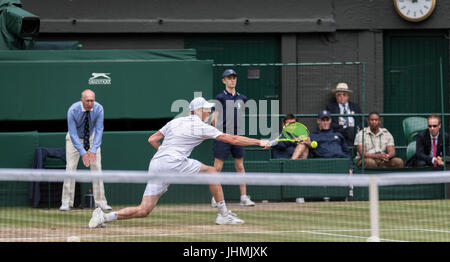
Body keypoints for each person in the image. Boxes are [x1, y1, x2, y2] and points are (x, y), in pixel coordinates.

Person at [88, 97, 271, 228]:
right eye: (207, 109)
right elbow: (233, 140)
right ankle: (223, 215)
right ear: (198, 111)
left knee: (144, 210)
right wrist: (258, 141)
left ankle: (104, 217)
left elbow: (152, 139)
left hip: (157, 163)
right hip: (173, 162)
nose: (209, 112)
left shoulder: (176, 122)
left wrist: (164, 153)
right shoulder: (201, 125)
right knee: (212, 172)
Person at [60, 89, 111, 211]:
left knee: (97, 168)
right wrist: (83, 152)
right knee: (70, 168)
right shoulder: (73, 110)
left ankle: (101, 202)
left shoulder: (99, 109)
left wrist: (93, 150)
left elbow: (99, 130)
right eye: (87, 101)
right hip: (75, 139)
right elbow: (72, 133)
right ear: (82, 100)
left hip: (92, 138)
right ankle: (66, 202)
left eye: (92, 100)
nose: (90, 103)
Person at [210, 69, 255, 207]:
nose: (232, 80)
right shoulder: (219, 97)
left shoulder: (243, 98)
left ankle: (243, 197)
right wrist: (217, 129)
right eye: (229, 78)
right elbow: (214, 118)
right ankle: (215, 198)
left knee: (240, 166)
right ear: (224, 80)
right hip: (223, 136)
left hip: (238, 136)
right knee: (217, 168)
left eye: (234, 77)